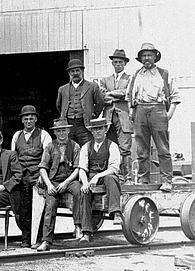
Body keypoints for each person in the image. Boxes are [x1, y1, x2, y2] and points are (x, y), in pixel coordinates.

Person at [126, 43, 181, 192]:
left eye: (150, 55)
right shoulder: (136, 74)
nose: (147, 58)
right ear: (140, 58)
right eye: (144, 55)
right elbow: (129, 95)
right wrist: (132, 113)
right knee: (142, 149)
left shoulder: (164, 74)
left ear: (155, 57)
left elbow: (175, 96)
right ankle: (144, 181)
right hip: (140, 110)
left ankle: (167, 181)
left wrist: (169, 114)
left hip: (158, 109)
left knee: (163, 148)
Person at [34, 119, 82, 252]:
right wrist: (49, 185)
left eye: (63, 130)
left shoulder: (75, 146)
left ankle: (78, 226)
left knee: (79, 191)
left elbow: (78, 168)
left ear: (68, 131)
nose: (61, 133)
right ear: (55, 132)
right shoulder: (50, 146)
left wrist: (66, 183)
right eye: (58, 131)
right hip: (54, 180)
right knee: (50, 205)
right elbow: (43, 168)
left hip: (70, 179)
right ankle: (46, 240)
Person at [10, 105, 52, 247]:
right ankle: (26, 239)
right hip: (22, 177)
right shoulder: (16, 136)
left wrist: (42, 176)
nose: (28, 121)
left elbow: (47, 157)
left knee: (39, 208)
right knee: (24, 208)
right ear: (22, 120)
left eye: (31, 118)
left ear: (35, 119)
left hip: (37, 176)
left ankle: (39, 238)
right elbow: (13, 158)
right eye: (26, 119)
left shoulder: (44, 135)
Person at [78, 118, 123, 243]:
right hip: (90, 178)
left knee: (111, 177)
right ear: (91, 132)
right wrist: (85, 182)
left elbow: (114, 168)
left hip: (105, 176)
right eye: (95, 129)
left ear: (105, 130)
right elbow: (82, 168)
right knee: (84, 191)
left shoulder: (112, 146)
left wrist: (98, 176)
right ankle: (86, 232)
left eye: (100, 129)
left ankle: (116, 213)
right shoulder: (86, 147)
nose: (97, 132)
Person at [99, 49, 134, 184]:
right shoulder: (105, 80)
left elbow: (127, 93)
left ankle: (128, 178)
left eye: (120, 62)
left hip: (123, 118)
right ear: (112, 63)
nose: (118, 64)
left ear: (125, 63)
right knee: (109, 147)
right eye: (115, 62)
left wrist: (111, 94)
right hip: (108, 117)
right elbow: (102, 97)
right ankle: (113, 176)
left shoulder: (130, 79)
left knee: (125, 148)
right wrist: (117, 96)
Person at [56, 58, 105, 146]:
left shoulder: (92, 86)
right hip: (68, 124)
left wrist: (93, 115)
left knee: (86, 148)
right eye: (72, 71)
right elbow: (59, 105)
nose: (75, 73)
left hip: (84, 124)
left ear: (82, 71)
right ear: (69, 73)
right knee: (69, 149)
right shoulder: (62, 89)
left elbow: (100, 102)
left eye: (77, 70)